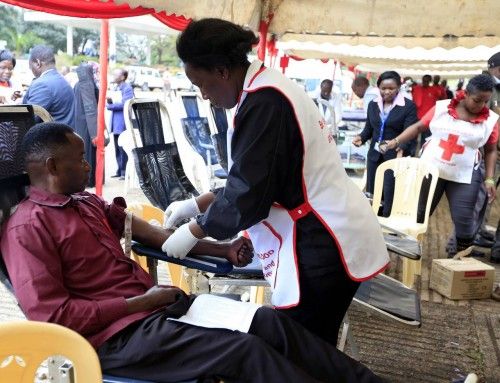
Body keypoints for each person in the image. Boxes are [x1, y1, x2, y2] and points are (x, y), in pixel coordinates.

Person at [1, 122, 382, 383]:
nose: (88, 164)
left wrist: (223, 247)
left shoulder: (85, 203)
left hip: (157, 309)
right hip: (115, 337)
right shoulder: (27, 228)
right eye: (80, 159)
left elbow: (156, 236)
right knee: (244, 352)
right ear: (51, 166)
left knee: (271, 323)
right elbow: (54, 316)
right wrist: (138, 302)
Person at [162, 18, 389, 346]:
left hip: (322, 239)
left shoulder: (265, 101)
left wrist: (194, 229)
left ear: (223, 71)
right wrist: (196, 204)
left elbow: (249, 193)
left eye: (203, 85)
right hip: (328, 228)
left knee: (304, 351)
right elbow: (258, 176)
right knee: (312, 351)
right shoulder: (265, 89)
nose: (204, 96)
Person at [380, 74, 499, 255]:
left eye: (486, 101)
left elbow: (490, 150)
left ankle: (458, 260)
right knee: (419, 213)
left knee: (464, 220)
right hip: (431, 169)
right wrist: (395, 142)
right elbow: (419, 127)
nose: (481, 105)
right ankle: (397, 253)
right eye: (477, 100)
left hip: (465, 174)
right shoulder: (443, 108)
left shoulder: (490, 119)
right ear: (465, 93)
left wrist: (489, 179)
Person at [352, 71, 418, 216]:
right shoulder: (373, 105)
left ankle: (387, 223)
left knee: (390, 192)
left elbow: (411, 133)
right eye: (383, 88)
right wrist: (361, 138)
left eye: (391, 88)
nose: (387, 92)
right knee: (372, 191)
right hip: (375, 155)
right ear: (378, 88)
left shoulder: (408, 107)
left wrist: (402, 148)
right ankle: (372, 220)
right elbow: (369, 129)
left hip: (394, 156)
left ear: (399, 87)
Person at [22, 45, 75, 127]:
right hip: (64, 136)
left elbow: (26, 120)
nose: (31, 70)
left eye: (30, 67)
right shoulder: (62, 80)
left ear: (38, 63)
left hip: (50, 138)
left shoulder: (42, 84)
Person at [73, 62, 100, 187]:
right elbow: (91, 109)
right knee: (89, 151)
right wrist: (95, 132)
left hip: (79, 122)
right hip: (88, 123)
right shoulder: (87, 85)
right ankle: (91, 179)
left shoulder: (79, 84)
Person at [107, 68, 134, 180]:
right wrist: (110, 101)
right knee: (117, 148)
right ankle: (119, 170)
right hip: (116, 122)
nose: (114, 76)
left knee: (123, 148)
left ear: (123, 76)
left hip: (122, 122)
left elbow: (125, 104)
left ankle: (124, 172)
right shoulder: (117, 88)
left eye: (116, 74)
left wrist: (110, 106)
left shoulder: (127, 88)